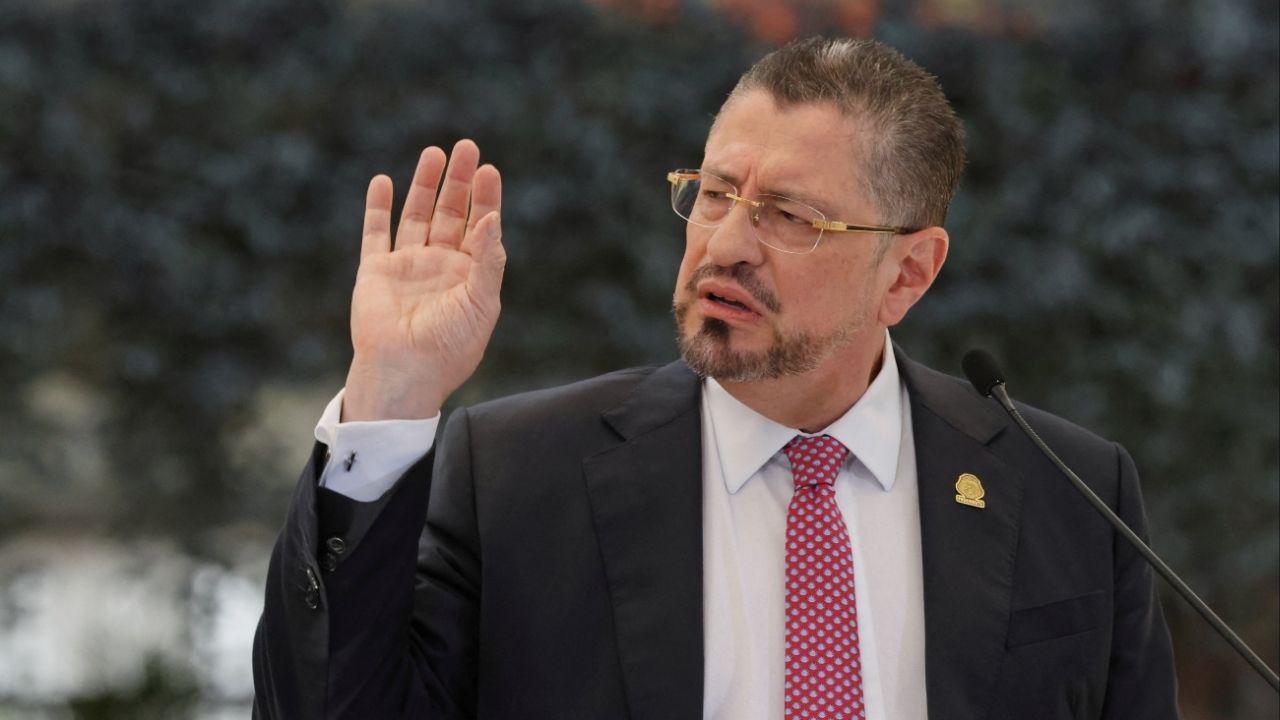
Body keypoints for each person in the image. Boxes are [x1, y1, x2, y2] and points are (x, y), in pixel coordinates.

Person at [253, 37, 1179, 719]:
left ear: (908, 272)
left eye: (788, 216)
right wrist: (393, 397)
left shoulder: (1070, 492)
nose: (726, 244)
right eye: (716, 193)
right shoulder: (518, 474)